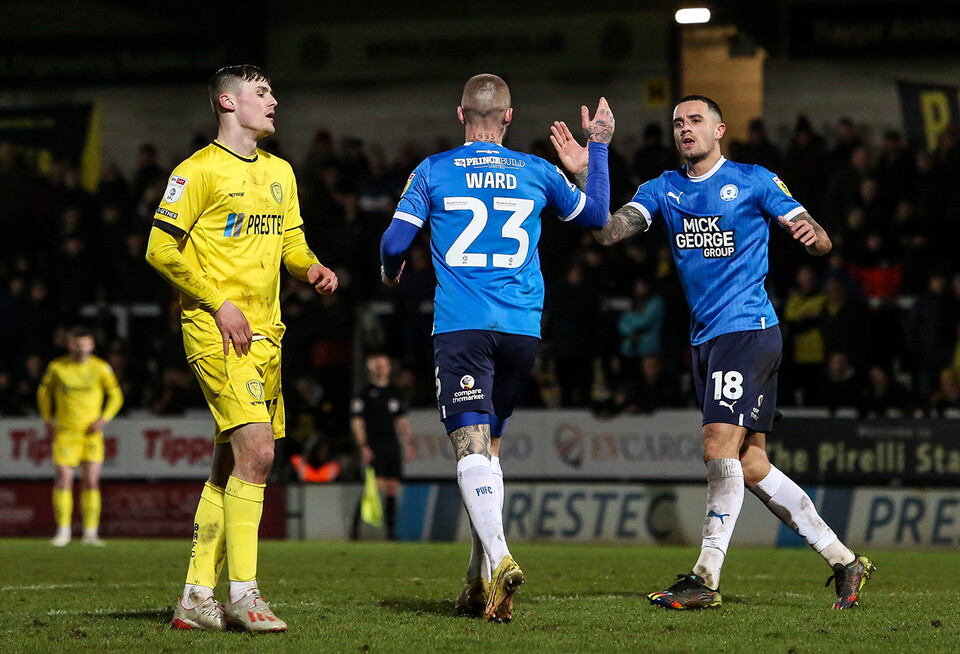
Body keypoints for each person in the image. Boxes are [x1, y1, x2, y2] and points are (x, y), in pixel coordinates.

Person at [551, 95, 874, 610]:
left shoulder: (754, 179)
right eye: (678, 122)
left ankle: (705, 577)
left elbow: (820, 241)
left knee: (716, 447)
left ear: (719, 129)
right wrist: (594, 163)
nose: (685, 129)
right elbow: (609, 231)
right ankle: (843, 559)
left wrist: (814, 237)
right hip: (708, 339)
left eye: (695, 120)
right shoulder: (663, 188)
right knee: (750, 464)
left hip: (747, 329)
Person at [379, 73, 614, 622]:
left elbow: (394, 241)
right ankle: (477, 579)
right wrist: (596, 150)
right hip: (521, 331)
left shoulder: (433, 169)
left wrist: (391, 272)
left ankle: (502, 557)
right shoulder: (538, 171)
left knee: (469, 451)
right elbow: (599, 216)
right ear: (509, 117)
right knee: (491, 453)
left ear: (461, 115)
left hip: (462, 327)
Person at [145, 64, 338, 632]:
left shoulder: (280, 172)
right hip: (216, 330)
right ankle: (244, 595)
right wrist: (217, 302)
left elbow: (292, 243)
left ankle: (195, 599)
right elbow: (160, 249)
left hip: (268, 335)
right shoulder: (196, 170)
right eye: (262, 92)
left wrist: (312, 269)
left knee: (229, 463)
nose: (274, 100)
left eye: (273, 91)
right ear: (228, 103)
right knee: (258, 453)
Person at [37, 326, 123, 547]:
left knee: (91, 481)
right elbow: (44, 394)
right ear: (69, 344)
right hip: (66, 433)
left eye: (85, 343)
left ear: (92, 345)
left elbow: (116, 396)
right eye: (76, 343)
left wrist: (104, 419)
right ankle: (63, 531)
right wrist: (47, 419)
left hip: (91, 434)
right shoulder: (57, 367)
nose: (81, 348)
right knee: (64, 479)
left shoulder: (101, 368)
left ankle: (90, 533)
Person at [350, 352, 412, 540]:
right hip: (374, 444)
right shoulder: (364, 392)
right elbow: (357, 421)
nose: (381, 368)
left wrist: (408, 443)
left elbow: (401, 420)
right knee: (375, 486)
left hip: (391, 444)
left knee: (393, 486)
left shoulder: (394, 392)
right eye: (377, 365)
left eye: (384, 365)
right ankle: (355, 530)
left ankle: (391, 531)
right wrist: (363, 445)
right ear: (370, 368)